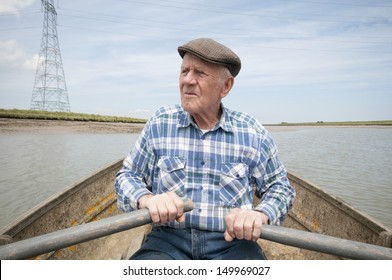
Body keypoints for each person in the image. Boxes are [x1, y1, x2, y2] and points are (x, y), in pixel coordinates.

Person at [115, 38, 295, 260]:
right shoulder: (160, 123)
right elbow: (127, 175)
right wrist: (147, 198)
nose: (188, 80)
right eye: (184, 71)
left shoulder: (252, 132)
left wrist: (260, 213)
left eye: (199, 73)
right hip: (168, 240)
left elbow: (280, 187)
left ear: (225, 86)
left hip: (233, 243)